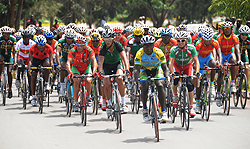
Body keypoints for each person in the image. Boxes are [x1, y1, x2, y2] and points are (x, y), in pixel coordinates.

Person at [134, 35, 169, 122]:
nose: (148, 47)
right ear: (142, 46)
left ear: (153, 45)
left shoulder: (158, 52)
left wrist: (167, 77)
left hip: (156, 70)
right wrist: (137, 81)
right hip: (144, 70)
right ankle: (145, 110)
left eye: (150, 45)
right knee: (144, 88)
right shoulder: (139, 53)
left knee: (160, 86)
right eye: (145, 45)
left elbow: (165, 67)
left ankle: (163, 111)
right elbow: (136, 70)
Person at [98, 29, 129, 115]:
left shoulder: (117, 45)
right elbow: (100, 62)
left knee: (119, 78)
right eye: (105, 39)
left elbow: (124, 58)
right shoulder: (103, 47)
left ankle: (123, 103)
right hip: (106, 66)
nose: (107, 42)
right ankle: (109, 105)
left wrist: (126, 69)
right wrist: (100, 72)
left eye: (109, 39)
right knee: (107, 84)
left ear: (113, 39)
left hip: (117, 64)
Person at [169, 31, 200, 117]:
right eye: (178, 41)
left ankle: (191, 107)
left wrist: (197, 72)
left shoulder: (191, 48)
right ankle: (175, 96)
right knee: (175, 80)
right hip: (177, 66)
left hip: (187, 67)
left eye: (182, 40)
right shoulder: (174, 49)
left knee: (190, 84)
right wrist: (172, 73)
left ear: (186, 41)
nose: (180, 42)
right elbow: (170, 62)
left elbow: (196, 61)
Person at [66, 36, 97, 111]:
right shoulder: (73, 51)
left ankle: (89, 97)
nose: (79, 47)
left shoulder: (89, 50)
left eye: (82, 45)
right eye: (78, 45)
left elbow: (94, 62)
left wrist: (94, 72)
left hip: (86, 67)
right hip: (76, 67)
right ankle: (76, 102)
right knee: (76, 81)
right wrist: (70, 72)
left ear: (85, 44)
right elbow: (68, 63)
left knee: (89, 80)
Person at [195, 27, 222, 112]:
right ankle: (198, 103)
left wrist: (219, 63)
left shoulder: (214, 42)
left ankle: (212, 83)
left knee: (214, 64)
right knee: (199, 82)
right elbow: (195, 57)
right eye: (205, 40)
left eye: (209, 40)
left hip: (208, 57)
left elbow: (219, 54)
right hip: (200, 59)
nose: (207, 42)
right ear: (202, 38)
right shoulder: (199, 43)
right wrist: (195, 65)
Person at [216, 21, 241, 106]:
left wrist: (239, 60)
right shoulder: (219, 38)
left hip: (230, 53)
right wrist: (218, 62)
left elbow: (237, 50)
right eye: (225, 29)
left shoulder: (234, 37)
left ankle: (232, 82)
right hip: (222, 54)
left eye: (229, 29)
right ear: (223, 29)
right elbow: (218, 51)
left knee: (234, 62)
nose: (227, 30)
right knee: (220, 73)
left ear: (231, 29)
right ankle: (218, 93)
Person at [28, 35, 53, 106]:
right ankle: (33, 96)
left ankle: (46, 83)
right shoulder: (32, 48)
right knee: (33, 76)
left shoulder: (49, 48)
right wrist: (30, 67)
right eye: (39, 45)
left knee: (47, 65)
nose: (41, 47)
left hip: (44, 60)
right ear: (36, 44)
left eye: (42, 45)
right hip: (35, 61)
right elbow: (30, 60)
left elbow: (51, 60)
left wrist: (52, 67)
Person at [15, 29, 36, 98]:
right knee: (19, 64)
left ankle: (30, 91)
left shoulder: (32, 43)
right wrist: (15, 62)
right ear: (22, 37)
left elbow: (34, 54)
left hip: (28, 57)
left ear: (29, 37)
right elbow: (16, 53)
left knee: (29, 75)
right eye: (24, 37)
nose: (26, 39)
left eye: (27, 37)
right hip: (21, 56)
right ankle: (18, 77)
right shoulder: (19, 43)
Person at [56, 29, 76, 97]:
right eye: (68, 38)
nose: (69, 40)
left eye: (71, 38)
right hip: (64, 58)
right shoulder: (61, 41)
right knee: (63, 68)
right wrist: (58, 64)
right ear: (65, 37)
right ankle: (62, 87)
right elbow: (57, 53)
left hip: (73, 59)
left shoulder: (75, 42)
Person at [0, 26, 17, 98]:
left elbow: (15, 51)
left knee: (9, 72)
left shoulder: (12, 39)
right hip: (1, 55)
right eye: (4, 34)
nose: (6, 35)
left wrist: (15, 62)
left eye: (7, 34)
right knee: (1, 59)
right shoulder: (0, 39)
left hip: (9, 56)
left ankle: (10, 89)